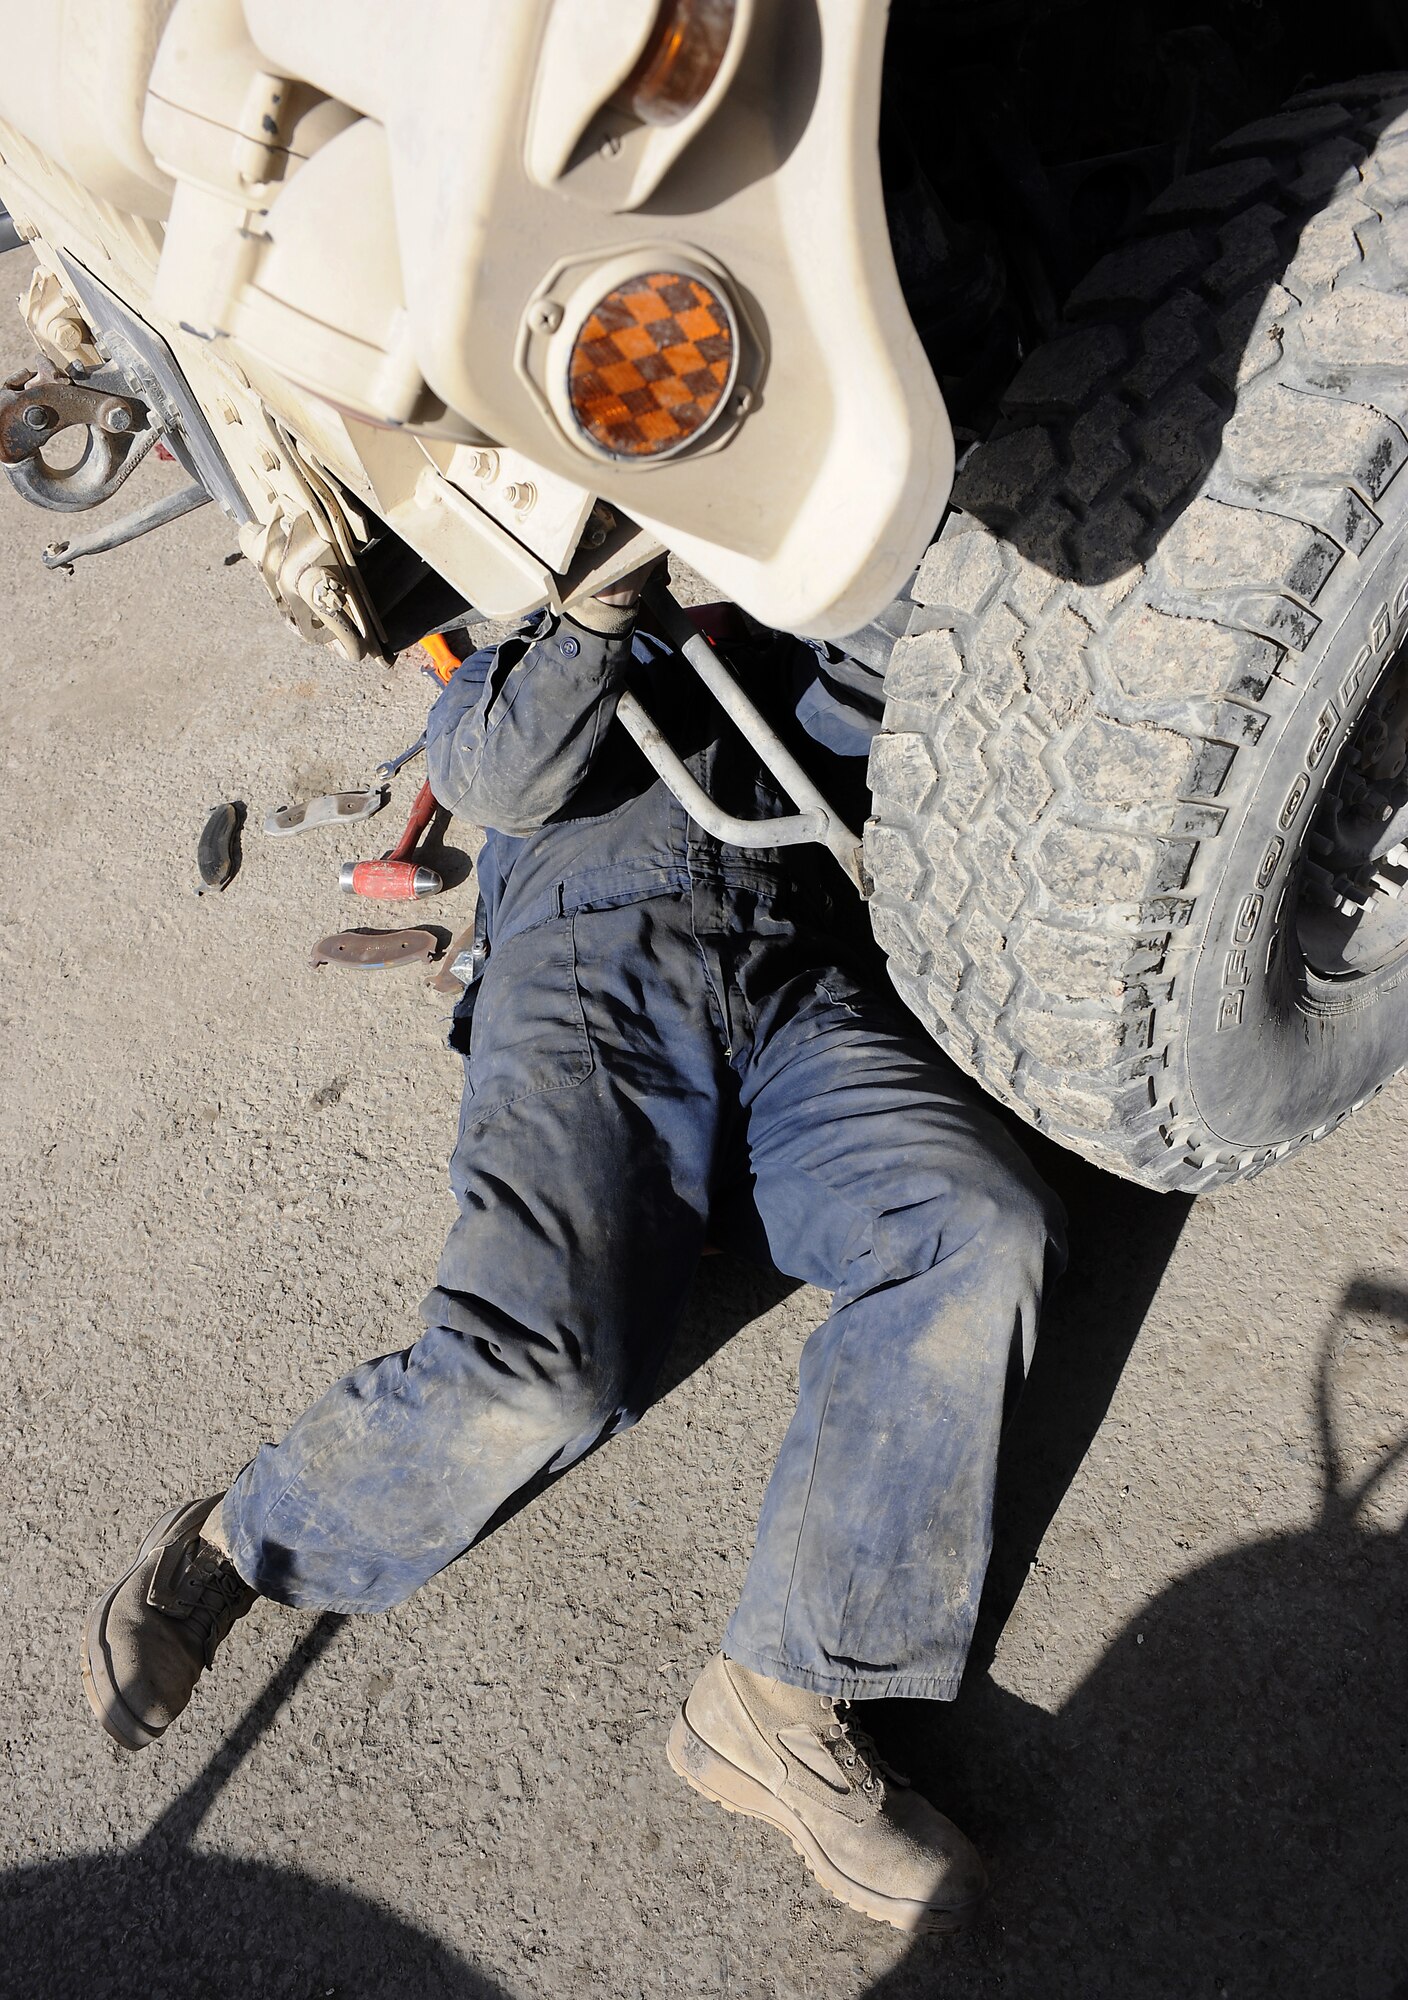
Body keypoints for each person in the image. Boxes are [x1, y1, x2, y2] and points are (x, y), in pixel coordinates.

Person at [81, 561, 1063, 1935]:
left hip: (799, 979)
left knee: (977, 1228)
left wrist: (884, 587)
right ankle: (247, 1537)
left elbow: (875, 717)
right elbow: (490, 773)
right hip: (597, 967)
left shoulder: (798, 621)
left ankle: (781, 1704)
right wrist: (600, 608)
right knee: (543, 1374)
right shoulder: (544, 636)